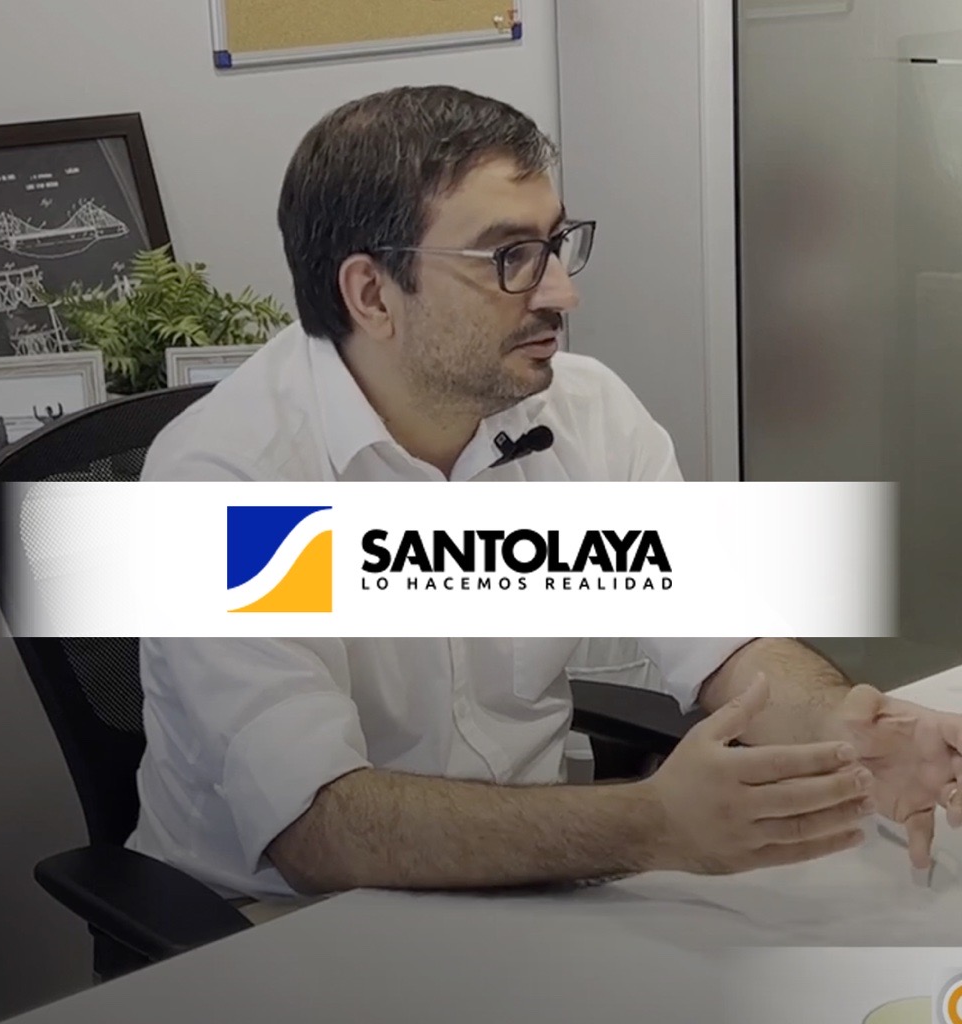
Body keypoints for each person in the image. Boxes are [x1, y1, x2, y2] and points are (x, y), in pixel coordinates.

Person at [129, 86, 962, 907]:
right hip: (275, 926)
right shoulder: (225, 481)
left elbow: (724, 637)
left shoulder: (582, 410)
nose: (562, 292)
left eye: (556, 244)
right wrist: (649, 825)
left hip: (532, 881)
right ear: (373, 295)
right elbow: (319, 829)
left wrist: (842, 730)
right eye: (509, 258)